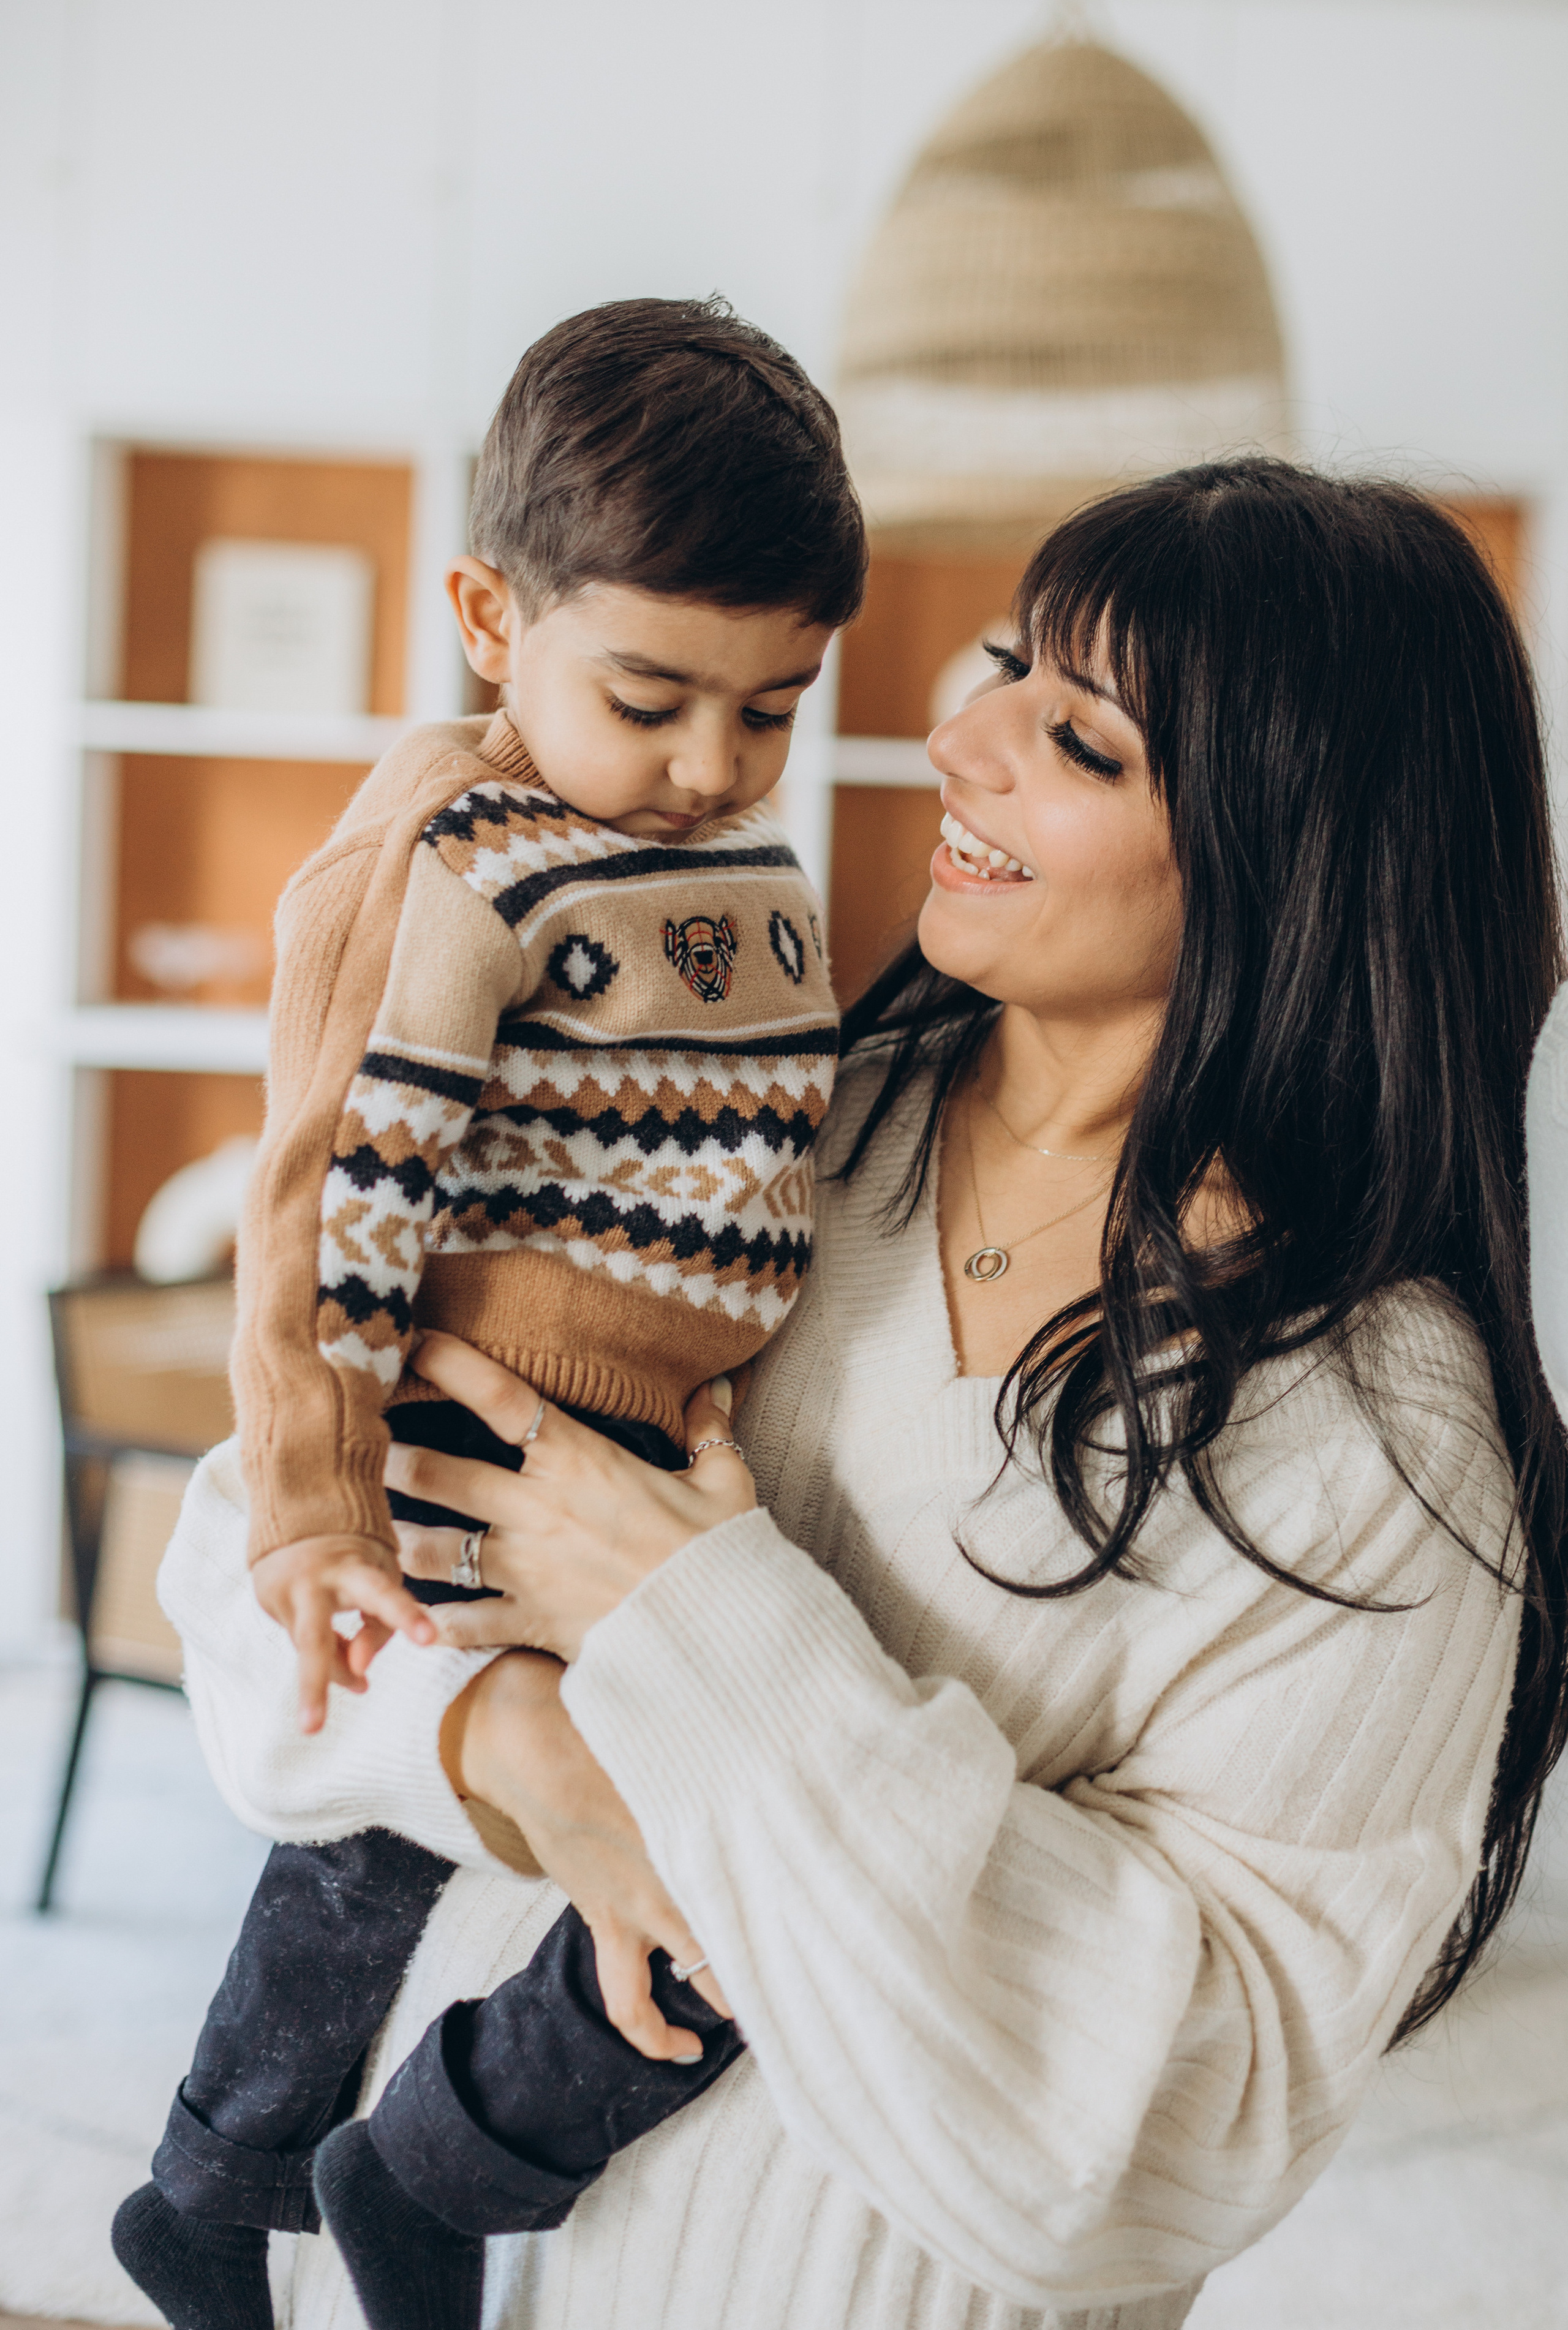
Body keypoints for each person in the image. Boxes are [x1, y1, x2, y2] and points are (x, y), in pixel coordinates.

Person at [157, 459, 1568, 2330]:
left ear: (1285, 852)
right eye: (999, 667)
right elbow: (250, 1572)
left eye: (1075, 739)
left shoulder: (1373, 1444)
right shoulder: (745, 1117)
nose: (952, 739)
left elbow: (1151, 2139)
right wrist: (518, 1748)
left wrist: (705, 1623)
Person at [112, 295, 863, 2330]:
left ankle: (343, 2169)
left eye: (773, 705)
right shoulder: (453, 857)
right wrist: (314, 1501)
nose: (713, 762)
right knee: (409, 1848)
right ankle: (294, 2177)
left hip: (658, 1467)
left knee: (584, 1858)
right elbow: (327, 1201)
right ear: (486, 612)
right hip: (476, 1436)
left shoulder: (724, 851)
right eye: (654, 695)